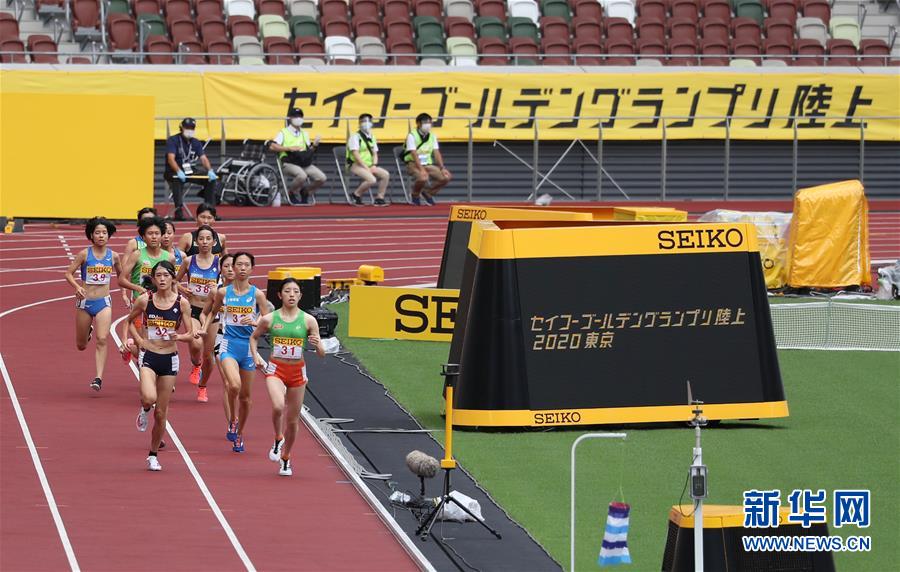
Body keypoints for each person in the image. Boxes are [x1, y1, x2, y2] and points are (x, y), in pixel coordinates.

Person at [119, 260, 197, 471]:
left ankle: (153, 455)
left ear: (173, 278)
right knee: (149, 398)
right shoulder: (146, 300)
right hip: (149, 356)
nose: (162, 279)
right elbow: (128, 321)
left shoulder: (182, 303)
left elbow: (190, 334)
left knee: (161, 413)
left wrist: (179, 336)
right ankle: (145, 408)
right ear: (153, 279)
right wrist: (137, 340)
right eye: (158, 276)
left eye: (166, 275)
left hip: (170, 358)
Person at [250, 278, 324, 476]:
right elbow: (254, 337)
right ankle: (277, 437)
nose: (291, 294)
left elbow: (321, 353)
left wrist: (317, 344)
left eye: (295, 291)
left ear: (300, 295)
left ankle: (286, 458)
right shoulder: (270, 319)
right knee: (277, 406)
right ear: (279, 295)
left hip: (298, 372)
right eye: (287, 291)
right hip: (276, 369)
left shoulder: (309, 320)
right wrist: (255, 354)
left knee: (293, 421)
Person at [202, 252, 270, 453]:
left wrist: (256, 321)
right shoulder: (223, 293)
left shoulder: (257, 294)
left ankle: (240, 433)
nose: (241, 268)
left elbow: (268, 321)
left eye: (245, 265)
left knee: (246, 398)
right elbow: (213, 312)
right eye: (238, 264)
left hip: (248, 347)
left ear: (251, 269)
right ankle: (233, 419)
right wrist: (204, 327)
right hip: (228, 344)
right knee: (233, 385)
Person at [63, 217, 124, 392]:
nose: (101, 235)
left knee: (103, 338)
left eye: (104, 232)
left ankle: (98, 378)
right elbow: (68, 273)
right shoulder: (84, 254)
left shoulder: (114, 256)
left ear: (109, 235)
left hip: (104, 302)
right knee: (81, 346)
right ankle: (86, 332)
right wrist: (76, 287)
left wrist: (126, 294)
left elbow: (121, 277)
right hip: (85, 302)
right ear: (91, 235)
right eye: (97, 232)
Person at [175, 225, 220, 401]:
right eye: (201, 238)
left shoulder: (219, 263)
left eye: (208, 238)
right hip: (193, 309)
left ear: (214, 241)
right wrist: (183, 290)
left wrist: (218, 288)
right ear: (196, 241)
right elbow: (175, 281)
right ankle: (196, 364)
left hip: (210, 312)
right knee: (195, 342)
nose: (204, 242)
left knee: (209, 356)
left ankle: (203, 386)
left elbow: (229, 286)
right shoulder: (189, 261)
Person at [119, 218, 174, 359]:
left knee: (157, 345)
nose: (154, 237)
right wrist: (137, 287)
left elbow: (173, 282)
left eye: (157, 233)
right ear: (143, 237)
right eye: (150, 233)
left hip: (160, 307)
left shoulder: (169, 257)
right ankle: (133, 348)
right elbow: (122, 279)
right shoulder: (137, 254)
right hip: (140, 304)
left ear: (162, 235)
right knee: (142, 345)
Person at [165, 118, 218, 221]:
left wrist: (210, 170)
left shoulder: (196, 142)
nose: (190, 130)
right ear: (181, 128)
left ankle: (209, 211)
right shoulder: (173, 140)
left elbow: (203, 158)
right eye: (187, 127)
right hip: (174, 171)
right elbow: (171, 159)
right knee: (177, 179)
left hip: (190, 170)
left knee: (210, 179)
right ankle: (178, 211)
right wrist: (178, 171)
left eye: (192, 128)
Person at [270, 108, 326, 205]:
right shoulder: (283, 132)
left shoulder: (305, 133)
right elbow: (272, 146)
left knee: (322, 178)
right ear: (290, 118)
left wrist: (315, 145)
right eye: (295, 116)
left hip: (303, 162)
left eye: (300, 116)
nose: (298, 118)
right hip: (288, 163)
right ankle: (291, 192)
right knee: (302, 175)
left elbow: (309, 151)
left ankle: (305, 192)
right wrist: (289, 148)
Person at [404, 112, 452, 206]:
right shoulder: (412, 135)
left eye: (430, 122)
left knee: (447, 177)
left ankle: (428, 192)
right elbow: (413, 154)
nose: (428, 125)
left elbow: (436, 153)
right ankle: (415, 194)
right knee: (423, 177)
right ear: (418, 123)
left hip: (427, 164)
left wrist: (442, 168)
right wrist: (421, 170)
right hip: (413, 163)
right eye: (425, 122)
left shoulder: (432, 136)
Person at [345, 113, 389, 207]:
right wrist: (366, 168)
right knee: (372, 179)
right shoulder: (355, 137)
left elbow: (375, 153)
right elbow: (356, 154)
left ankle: (379, 198)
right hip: (355, 165)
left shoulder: (372, 137)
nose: (367, 123)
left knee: (385, 175)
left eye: (369, 121)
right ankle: (356, 195)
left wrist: (374, 165)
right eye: (364, 121)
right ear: (359, 123)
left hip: (369, 165)